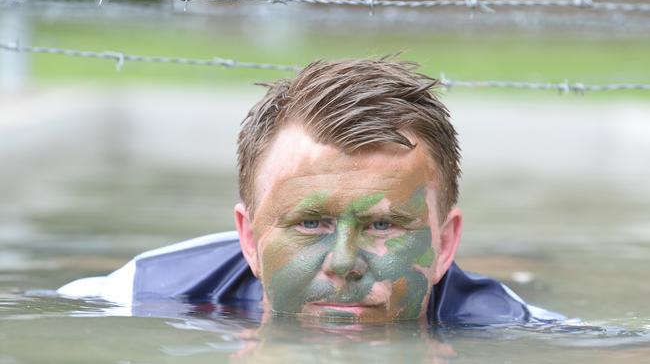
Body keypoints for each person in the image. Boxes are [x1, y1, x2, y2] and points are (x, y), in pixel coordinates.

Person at [58, 58, 563, 324]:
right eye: (310, 223)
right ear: (249, 239)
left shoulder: (513, 327)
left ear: (445, 244)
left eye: (382, 225)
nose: (344, 263)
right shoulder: (142, 292)